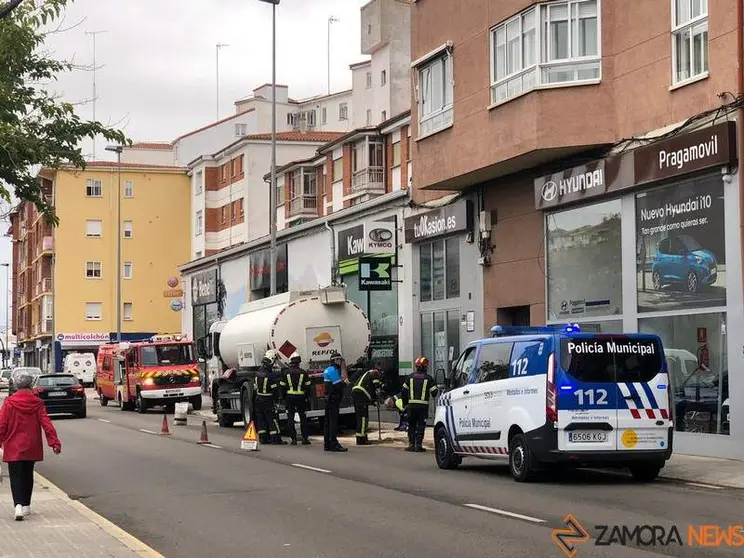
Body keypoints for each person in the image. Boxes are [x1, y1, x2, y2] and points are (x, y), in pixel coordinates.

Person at [0, 372, 61, 521]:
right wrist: (54, 442)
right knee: (28, 474)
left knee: (16, 476)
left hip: (13, 446)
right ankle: (26, 505)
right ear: (31, 385)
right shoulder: (37, 403)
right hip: (31, 445)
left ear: (16, 385)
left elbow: (2, 425)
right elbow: (46, 424)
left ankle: (18, 505)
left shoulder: (9, 403)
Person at [400, 356, 438, 452]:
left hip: (411, 406)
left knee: (411, 425)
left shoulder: (410, 377)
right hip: (423, 407)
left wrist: (405, 404)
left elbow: (403, 391)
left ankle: (411, 444)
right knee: (421, 425)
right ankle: (418, 445)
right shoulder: (429, 378)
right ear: (425, 367)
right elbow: (434, 392)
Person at [254, 350, 286, 445]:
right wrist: (278, 399)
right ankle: (275, 439)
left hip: (258, 399)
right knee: (272, 419)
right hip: (267, 400)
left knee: (261, 420)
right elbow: (274, 390)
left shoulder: (257, 373)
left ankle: (263, 439)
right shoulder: (270, 376)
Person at [280, 352, 311, 445]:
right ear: (299, 362)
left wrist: (283, 397)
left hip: (289, 398)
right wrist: (306, 397)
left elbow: (282, 387)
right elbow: (308, 387)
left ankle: (293, 439)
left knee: (290, 418)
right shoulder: (303, 373)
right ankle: (305, 439)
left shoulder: (285, 373)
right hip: (301, 398)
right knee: (303, 418)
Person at [351, 363, 381, 445]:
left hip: (358, 393)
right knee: (363, 417)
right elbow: (376, 388)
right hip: (361, 394)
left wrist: (373, 401)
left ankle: (360, 437)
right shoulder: (374, 373)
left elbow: (370, 390)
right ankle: (362, 439)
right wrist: (378, 397)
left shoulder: (367, 374)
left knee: (360, 416)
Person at [323, 351, 348, 452]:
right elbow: (338, 386)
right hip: (333, 400)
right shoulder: (333, 371)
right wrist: (345, 383)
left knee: (327, 423)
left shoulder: (328, 370)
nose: (341, 362)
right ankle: (334, 444)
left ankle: (327, 444)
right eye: (340, 360)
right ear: (335, 360)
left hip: (329, 399)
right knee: (333, 423)